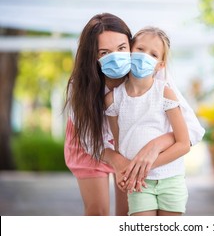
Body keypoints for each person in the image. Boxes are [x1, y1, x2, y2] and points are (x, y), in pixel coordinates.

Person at [64, 13, 205, 216]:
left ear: (130, 45)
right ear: (92, 56)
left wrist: (155, 146)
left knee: (128, 212)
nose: (115, 56)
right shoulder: (80, 87)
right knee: (98, 212)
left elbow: (192, 129)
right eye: (104, 52)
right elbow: (89, 140)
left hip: (133, 144)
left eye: (122, 48)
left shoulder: (153, 74)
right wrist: (120, 162)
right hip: (92, 143)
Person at [105, 26, 194, 216]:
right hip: (139, 184)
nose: (145, 56)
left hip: (171, 180)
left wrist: (142, 167)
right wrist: (129, 171)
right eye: (140, 49)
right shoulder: (113, 100)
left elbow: (184, 144)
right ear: (129, 51)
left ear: (160, 65)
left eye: (153, 54)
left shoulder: (165, 93)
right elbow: (118, 143)